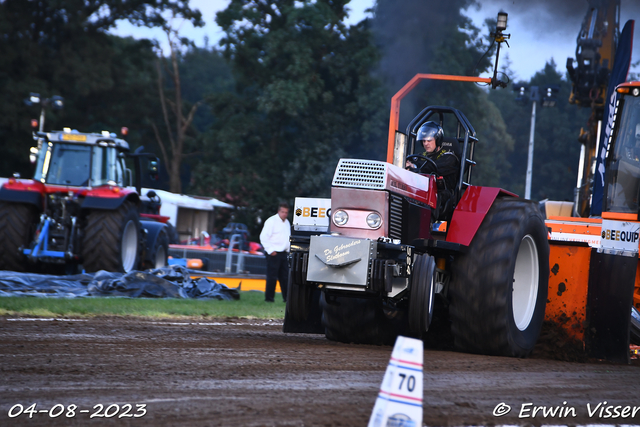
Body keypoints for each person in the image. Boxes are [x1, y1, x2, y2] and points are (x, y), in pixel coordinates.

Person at [406, 121, 460, 218]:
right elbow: (414, 163)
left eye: (429, 140)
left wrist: (415, 167)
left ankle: (427, 223)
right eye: (423, 141)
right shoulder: (419, 156)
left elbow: (435, 168)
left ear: (437, 140)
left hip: (442, 194)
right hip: (420, 190)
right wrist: (408, 165)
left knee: (434, 194)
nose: (426, 143)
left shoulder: (449, 157)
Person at [259, 203, 291, 303]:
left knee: (285, 277)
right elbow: (263, 237)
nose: (284, 214)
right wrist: (270, 250)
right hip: (274, 253)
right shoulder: (271, 221)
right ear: (278, 211)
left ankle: (286, 298)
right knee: (272, 277)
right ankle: (269, 298)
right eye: (283, 212)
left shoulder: (287, 222)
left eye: (286, 212)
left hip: (284, 253)